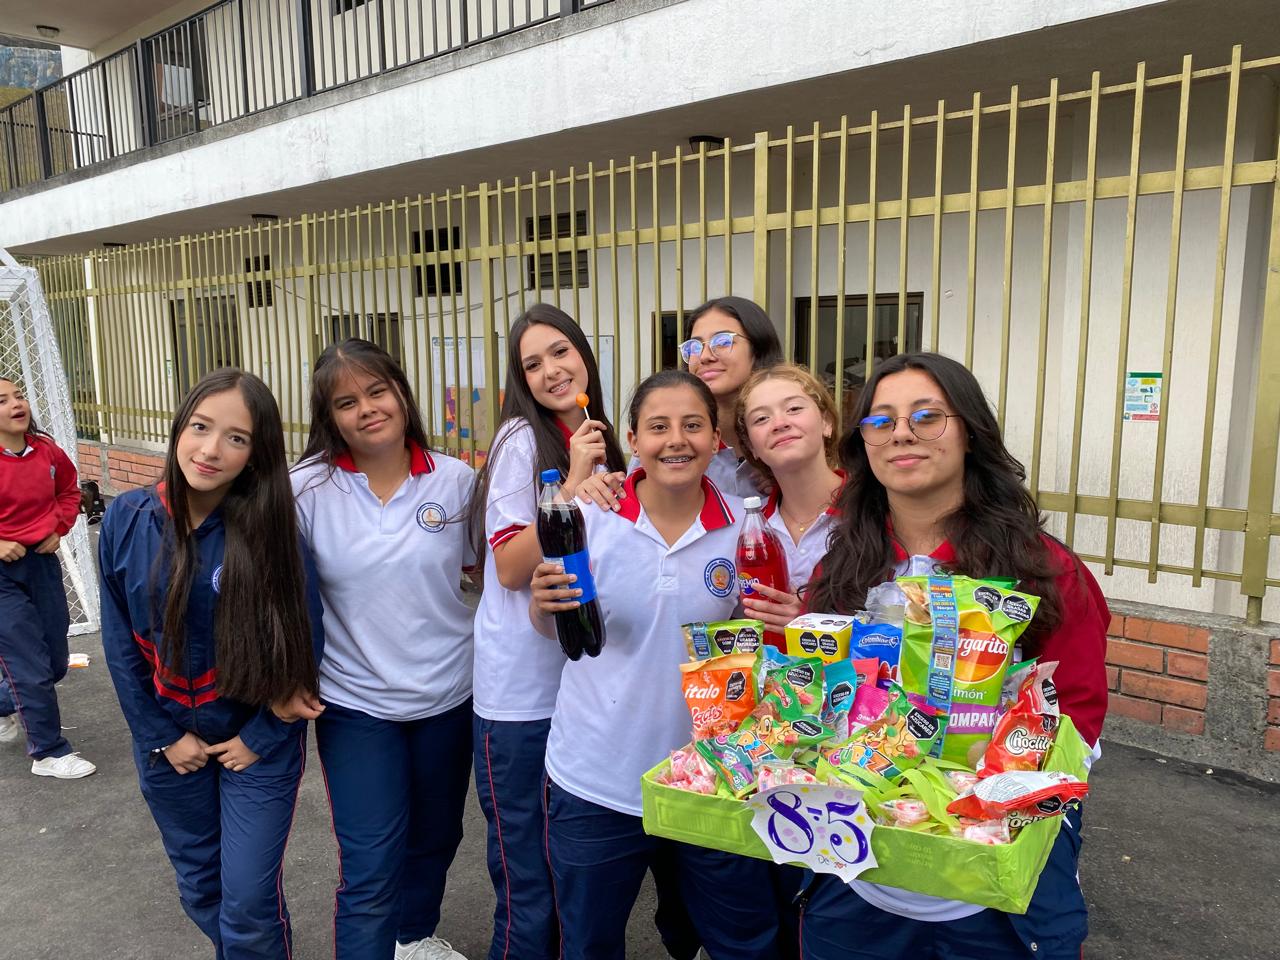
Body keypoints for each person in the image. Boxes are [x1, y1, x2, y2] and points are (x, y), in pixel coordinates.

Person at [799, 351, 1108, 960]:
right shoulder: (841, 571)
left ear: (970, 431)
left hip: (994, 894)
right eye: (880, 421)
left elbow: (1076, 724)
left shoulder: (1044, 571)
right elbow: (813, 702)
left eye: (926, 415)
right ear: (862, 445)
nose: (902, 433)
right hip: (858, 879)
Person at [530, 369, 782, 960]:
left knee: (740, 941)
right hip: (596, 778)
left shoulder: (745, 534)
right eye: (658, 426)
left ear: (717, 438)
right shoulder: (589, 517)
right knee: (589, 943)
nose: (676, 440)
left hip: (713, 782)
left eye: (693, 425)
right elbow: (553, 626)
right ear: (634, 439)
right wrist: (544, 609)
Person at [98, 369, 325, 959]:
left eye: (236, 438)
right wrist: (162, 737)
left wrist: (265, 734)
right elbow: (121, 646)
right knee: (201, 890)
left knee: (248, 900)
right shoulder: (126, 518)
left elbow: (305, 644)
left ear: (255, 456)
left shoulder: (272, 532)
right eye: (200, 427)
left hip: (253, 748)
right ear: (180, 427)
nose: (210, 449)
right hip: (170, 751)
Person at [292, 338, 474, 960]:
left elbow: (489, 574)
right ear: (329, 416)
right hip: (355, 704)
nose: (367, 409)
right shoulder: (306, 490)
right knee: (370, 863)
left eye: (377, 391)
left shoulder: (456, 481)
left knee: (435, 840)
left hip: (450, 697)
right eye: (347, 402)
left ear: (400, 392)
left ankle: (415, 938)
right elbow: (277, 595)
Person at [467, 303, 627, 960]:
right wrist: (580, 481)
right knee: (529, 876)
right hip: (521, 697)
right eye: (532, 363)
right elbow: (507, 566)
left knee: (573, 872)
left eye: (561, 352)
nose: (551, 370)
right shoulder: (520, 441)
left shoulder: (597, 433)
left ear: (585, 355)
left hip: (582, 688)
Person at [578, 296, 783, 512]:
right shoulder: (665, 444)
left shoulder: (785, 433)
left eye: (722, 342)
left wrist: (787, 480)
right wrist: (596, 488)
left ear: (758, 349)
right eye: (694, 347)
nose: (704, 356)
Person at [0, 376, 95, 779]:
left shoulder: (47, 451)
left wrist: (58, 528)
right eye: (2, 400)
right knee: (30, 667)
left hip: (40, 564)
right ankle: (49, 752)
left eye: (18, 395)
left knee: (55, 662)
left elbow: (70, 493)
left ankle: (5, 704)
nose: (15, 403)